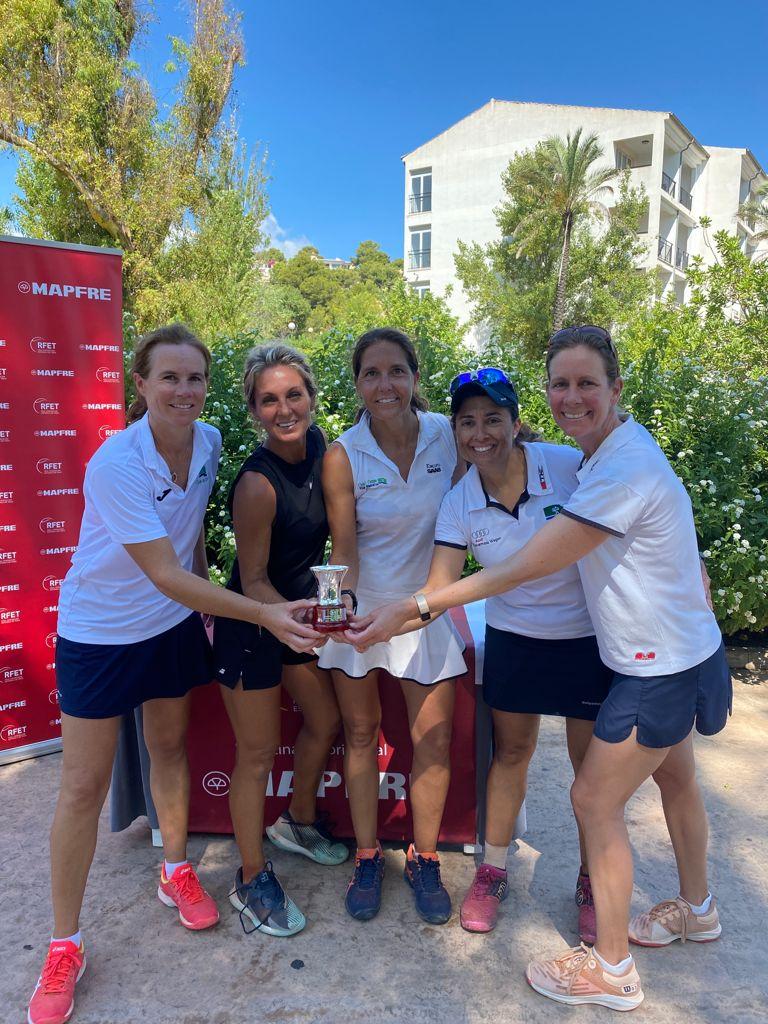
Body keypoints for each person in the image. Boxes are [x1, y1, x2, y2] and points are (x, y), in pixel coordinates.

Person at [351, 325, 730, 1011]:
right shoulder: (602, 452)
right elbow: (663, 513)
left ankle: (610, 965)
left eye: (588, 384)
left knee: (592, 796)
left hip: (646, 657)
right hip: (649, 649)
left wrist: (419, 601)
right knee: (672, 778)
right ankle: (697, 907)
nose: (574, 397)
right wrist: (392, 617)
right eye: (564, 384)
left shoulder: (594, 466)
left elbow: (531, 561)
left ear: (614, 389)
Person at [27, 325, 324, 1024]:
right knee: (81, 788)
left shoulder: (213, 441)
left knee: (170, 751)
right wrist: (263, 615)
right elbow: (160, 571)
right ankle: (64, 945)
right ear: (141, 384)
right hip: (99, 634)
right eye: (170, 378)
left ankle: (175, 869)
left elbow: (185, 549)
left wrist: (212, 614)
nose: (184, 392)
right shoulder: (116, 462)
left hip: (170, 628)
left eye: (195, 379)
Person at [424, 367, 612, 937]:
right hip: (513, 641)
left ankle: (591, 879)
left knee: (592, 772)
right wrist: (388, 617)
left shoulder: (566, 464)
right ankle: (493, 870)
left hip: (585, 639)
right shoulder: (458, 502)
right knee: (511, 755)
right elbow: (439, 585)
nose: (481, 434)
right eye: (468, 423)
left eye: (493, 419)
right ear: (456, 431)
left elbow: (638, 513)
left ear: (515, 421)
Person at [318, 327, 467, 925]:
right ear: (357, 383)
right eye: (371, 374)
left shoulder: (448, 435)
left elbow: (507, 456)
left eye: (396, 372)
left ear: (415, 375)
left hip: (426, 611)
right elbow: (344, 546)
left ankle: (425, 857)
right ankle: (367, 854)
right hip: (362, 611)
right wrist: (340, 609)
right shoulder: (342, 454)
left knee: (430, 741)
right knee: (360, 737)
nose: (385, 385)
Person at [212, 343, 348, 939]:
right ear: (254, 411)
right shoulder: (256, 486)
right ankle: (248, 877)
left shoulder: (326, 452)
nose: (284, 408)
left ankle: (296, 821)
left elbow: (339, 547)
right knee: (258, 754)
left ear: (313, 398)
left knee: (325, 721)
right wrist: (291, 621)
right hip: (252, 625)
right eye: (269, 400)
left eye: (294, 394)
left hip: (296, 617)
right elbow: (255, 578)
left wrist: (329, 609)